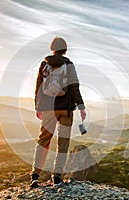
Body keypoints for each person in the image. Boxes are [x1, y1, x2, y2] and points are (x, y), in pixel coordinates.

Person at [30, 37, 86, 188]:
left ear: (52, 48)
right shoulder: (69, 65)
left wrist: (38, 106)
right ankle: (57, 176)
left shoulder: (44, 64)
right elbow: (74, 86)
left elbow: (38, 85)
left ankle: (35, 176)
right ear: (65, 49)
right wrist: (81, 106)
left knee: (43, 140)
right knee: (63, 142)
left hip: (48, 107)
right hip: (65, 108)